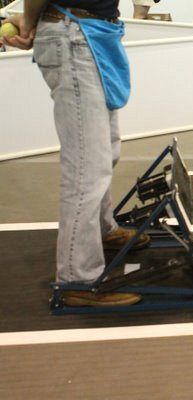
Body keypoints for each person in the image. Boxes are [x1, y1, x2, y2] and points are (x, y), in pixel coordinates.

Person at [1, 0, 149, 307]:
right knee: (87, 167)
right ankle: (77, 277)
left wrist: (35, 18)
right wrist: (30, 20)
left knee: (106, 148)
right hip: (74, 36)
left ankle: (104, 230)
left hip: (89, 32)